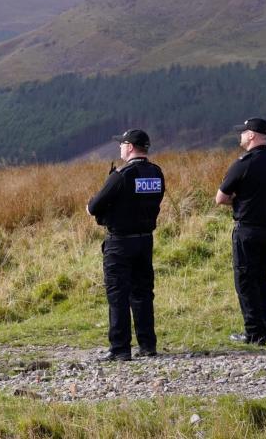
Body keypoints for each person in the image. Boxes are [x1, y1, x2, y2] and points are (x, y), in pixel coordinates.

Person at [87, 129, 165, 361]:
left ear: (130, 146)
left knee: (118, 295)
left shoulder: (121, 175)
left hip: (120, 242)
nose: (119, 148)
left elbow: (94, 207)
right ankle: (147, 344)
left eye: (122, 144)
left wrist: (92, 207)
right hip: (145, 240)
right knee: (142, 292)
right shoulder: (156, 173)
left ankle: (120, 349)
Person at [215, 118, 266, 345]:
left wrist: (238, 198)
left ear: (252, 135)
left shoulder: (243, 163)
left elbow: (220, 197)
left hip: (248, 229)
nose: (240, 136)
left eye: (243, 132)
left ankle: (254, 332)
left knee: (245, 280)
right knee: (261, 279)